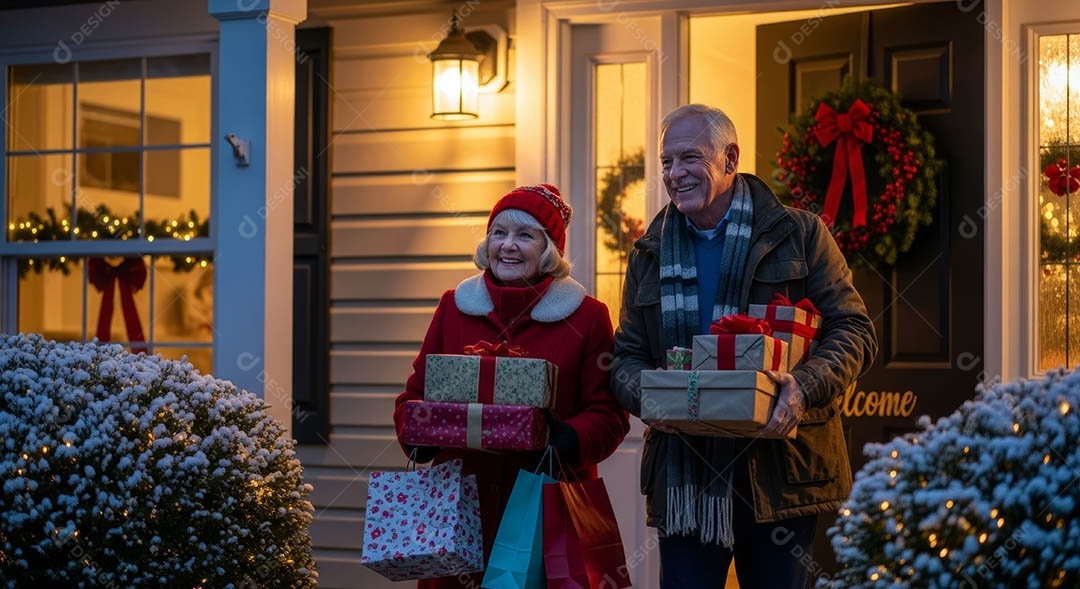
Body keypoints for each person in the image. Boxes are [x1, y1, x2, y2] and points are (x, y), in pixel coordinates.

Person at [609, 104, 878, 589]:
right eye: (667, 162)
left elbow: (855, 331)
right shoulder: (649, 252)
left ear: (730, 158)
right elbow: (625, 357)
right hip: (684, 478)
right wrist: (650, 400)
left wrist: (801, 386)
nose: (675, 174)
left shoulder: (800, 234)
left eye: (690, 158)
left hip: (779, 472)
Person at [394, 184, 630, 589]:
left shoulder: (588, 316)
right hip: (456, 507)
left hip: (546, 510)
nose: (508, 246)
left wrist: (562, 440)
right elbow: (414, 394)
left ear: (549, 249)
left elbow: (609, 414)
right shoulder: (454, 305)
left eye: (525, 235)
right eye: (499, 233)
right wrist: (420, 433)